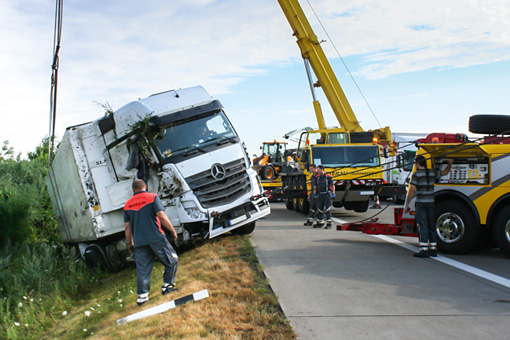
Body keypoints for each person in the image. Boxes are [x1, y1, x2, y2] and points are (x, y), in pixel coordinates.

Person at [124, 179, 179, 306]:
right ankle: (168, 286)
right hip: (156, 238)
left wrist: (130, 243)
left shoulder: (127, 205)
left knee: (143, 270)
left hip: (139, 242)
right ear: (145, 187)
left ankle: (142, 297)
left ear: (133, 190)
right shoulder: (152, 197)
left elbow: (127, 227)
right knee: (172, 260)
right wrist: (172, 231)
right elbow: (161, 216)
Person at [404, 156, 453, 258]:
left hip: (421, 203)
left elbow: (412, 190)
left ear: (418, 163)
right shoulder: (432, 173)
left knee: (422, 225)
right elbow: (445, 172)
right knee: (431, 224)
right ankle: (433, 248)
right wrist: (450, 163)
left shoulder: (416, 175)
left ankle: (424, 249)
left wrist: (407, 204)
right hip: (431, 202)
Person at [313, 165, 336, 229]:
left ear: (322, 169)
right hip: (320, 194)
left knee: (328, 209)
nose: (317, 171)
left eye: (318, 169)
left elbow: (332, 185)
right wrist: (314, 194)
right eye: (317, 169)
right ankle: (320, 222)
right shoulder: (317, 177)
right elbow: (315, 186)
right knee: (320, 209)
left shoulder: (328, 177)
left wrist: (333, 194)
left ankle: (329, 223)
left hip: (327, 194)